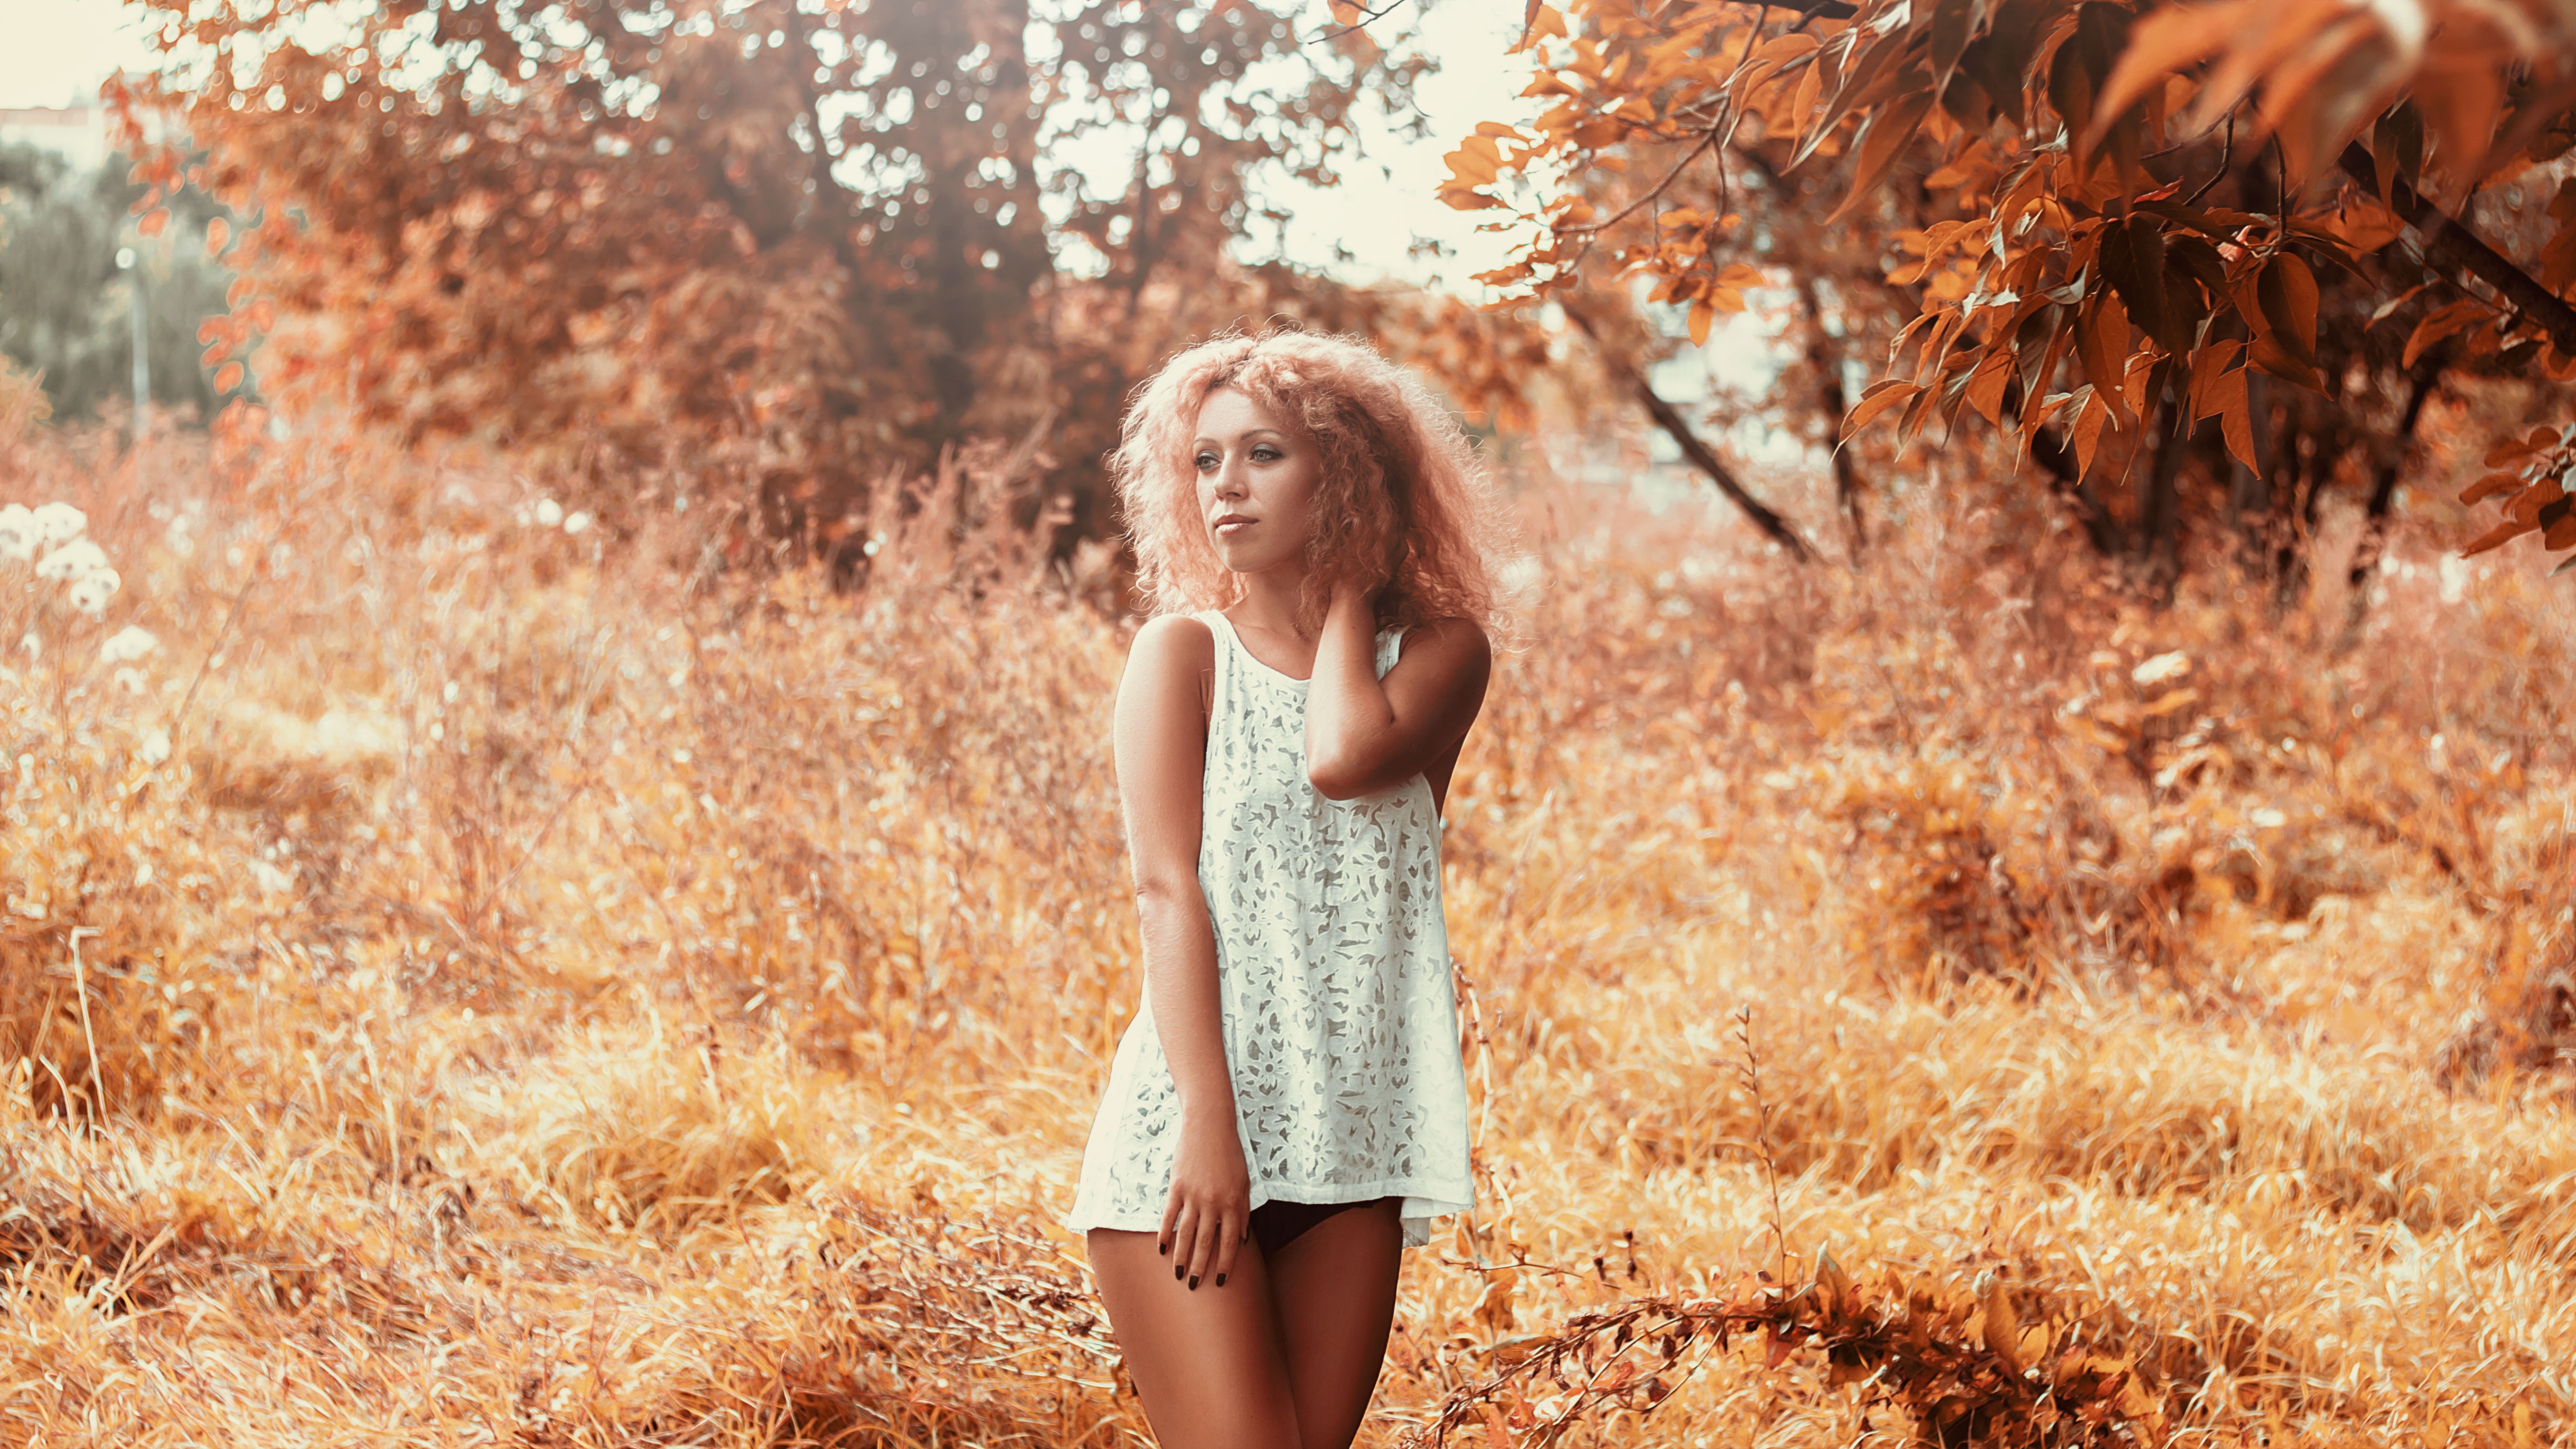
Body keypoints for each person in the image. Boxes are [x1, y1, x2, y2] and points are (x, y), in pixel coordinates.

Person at [1064, 327, 1509, 1449]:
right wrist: (1209, 1130)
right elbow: (1165, 895)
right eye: (1205, 460)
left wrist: (1349, 586)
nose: (1224, 487)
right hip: (1192, 1140)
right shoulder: (1181, 656)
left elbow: (1340, 755)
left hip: (1352, 1139)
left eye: (1262, 453)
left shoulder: (1440, 653)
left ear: (1347, 472)